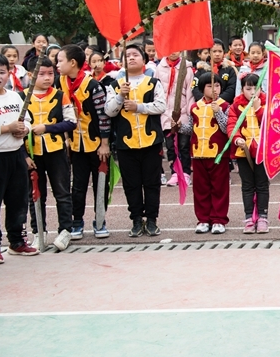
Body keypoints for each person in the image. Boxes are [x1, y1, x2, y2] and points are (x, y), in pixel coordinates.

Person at [104, 44, 167, 237]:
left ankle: (152, 219)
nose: (131, 58)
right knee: (131, 184)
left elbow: (161, 106)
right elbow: (109, 111)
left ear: (144, 59)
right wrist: (121, 97)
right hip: (125, 142)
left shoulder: (153, 82)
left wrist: (139, 107)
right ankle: (136, 220)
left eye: (135, 55)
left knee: (151, 182)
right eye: (127, 55)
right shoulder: (115, 85)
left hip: (151, 141)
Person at [57, 45, 112, 240]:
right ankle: (77, 221)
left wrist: (105, 143)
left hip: (96, 144)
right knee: (78, 185)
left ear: (72, 63)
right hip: (75, 145)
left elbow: (104, 116)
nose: (57, 65)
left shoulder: (93, 85)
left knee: (101, 184)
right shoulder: (60, 83)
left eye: (60, 60)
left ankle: (100, 220)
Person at [23, 57, 76, 251]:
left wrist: (47, 128)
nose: (47, 78)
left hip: (56, 151)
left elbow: (71, 122)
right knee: (35, 194)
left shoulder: (60, 95)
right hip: (32, 154)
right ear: (30, 75)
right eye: (42, 74)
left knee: (62, 192)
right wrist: (24, 156)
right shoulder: (21, 97)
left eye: (50, 74)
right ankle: (38, 232)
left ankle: (65, 230)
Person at [0, 53, 38, 260]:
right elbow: (4, 127)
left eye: (1, 72)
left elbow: (27, 120)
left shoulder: (15, 96)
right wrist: (6, 128)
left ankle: (17, 242)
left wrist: (24, 130)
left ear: (9, 73)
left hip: (15, 156)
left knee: (18, 201)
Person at [186, 72, 230, 234]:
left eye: (217, 85)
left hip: (218, 154)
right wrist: (177, 126)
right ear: (202, 88)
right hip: (198, 154)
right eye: (210, 86)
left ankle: (219, 219)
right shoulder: (194, 107)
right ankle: (203, 219)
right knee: (200, 189)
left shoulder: (225, 106)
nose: (214, 89)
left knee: (220, 188)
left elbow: (227, 128)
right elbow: (190, 129)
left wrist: (218, 111)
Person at [229, 73, 268, 234]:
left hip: (262, 152)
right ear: (242, 89)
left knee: (262, 185)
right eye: (248, 88)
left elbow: (270, 123)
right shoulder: (236, 106)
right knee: (247, 186)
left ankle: (263, 217)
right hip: (243, 152)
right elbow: (232, 125)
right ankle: (248, 218)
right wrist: (237, 138)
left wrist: (258, 109)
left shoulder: (267, 103)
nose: (252, 92)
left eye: (256, 88)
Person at [155, 51, 194, 187]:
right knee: (170, 145)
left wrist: (188, 112)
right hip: (165, 112)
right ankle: (175, 172)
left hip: (182, 111)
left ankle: (185, 172)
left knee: (184, 144)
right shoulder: (159, 68)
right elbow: (157, 90)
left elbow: (190, 92)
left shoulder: (187, 68)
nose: (173, 52)